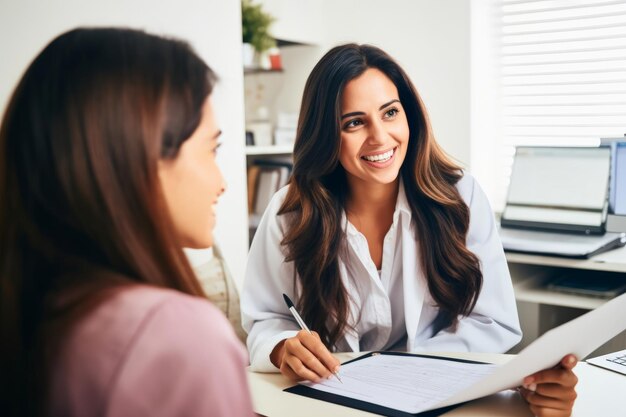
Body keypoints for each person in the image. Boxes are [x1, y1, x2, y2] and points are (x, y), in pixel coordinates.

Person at [241, 44, 578, 416]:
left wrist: (408, 373)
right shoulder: (290, 213)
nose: (380, 137)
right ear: (325, 135)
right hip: (333, 404)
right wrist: (283, 345)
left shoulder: (460, 197)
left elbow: (493, 320)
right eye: (354, 122)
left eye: (390, 113)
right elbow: (266, 318)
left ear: (409, 116)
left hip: (442, 399)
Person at [0, 28, 254, 417]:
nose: (223, 182)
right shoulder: (176, 336)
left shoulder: (35, 310)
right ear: (140, 160)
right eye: (212, 149)